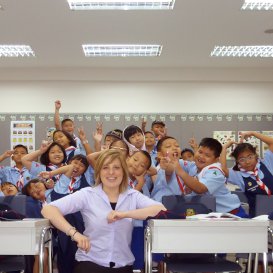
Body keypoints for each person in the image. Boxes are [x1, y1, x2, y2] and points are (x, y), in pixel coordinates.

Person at [41, 149, 165, 273]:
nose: (111, 172)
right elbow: (48, 209)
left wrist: (124, 214)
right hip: (90, 263)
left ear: (123, 171)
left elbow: (160, 209)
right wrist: (74, 234)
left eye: (116, 167)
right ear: (99, 171)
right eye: (105, 168)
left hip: (123, 265)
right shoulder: (87, 194)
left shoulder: (132, 195)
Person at [152, 136, 247, 217]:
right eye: (200, 152)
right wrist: (166, 160)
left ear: (216, 159)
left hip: (231, 213)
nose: (201, 157)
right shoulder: (193, 166)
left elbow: (200, 189)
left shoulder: (215, 172)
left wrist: (180, 171)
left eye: (207, 155)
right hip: (211, 214)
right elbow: (173, 163)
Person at [220, 131, 273, 217]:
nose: (247, 162)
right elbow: (223, 170)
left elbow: (272, 143)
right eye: (242, 159)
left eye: (250, 157)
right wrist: (224, 148)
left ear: (255, 155)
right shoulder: (238, 175)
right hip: (258, 216)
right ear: (237, 162)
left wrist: (253, 133)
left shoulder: (266, 162)